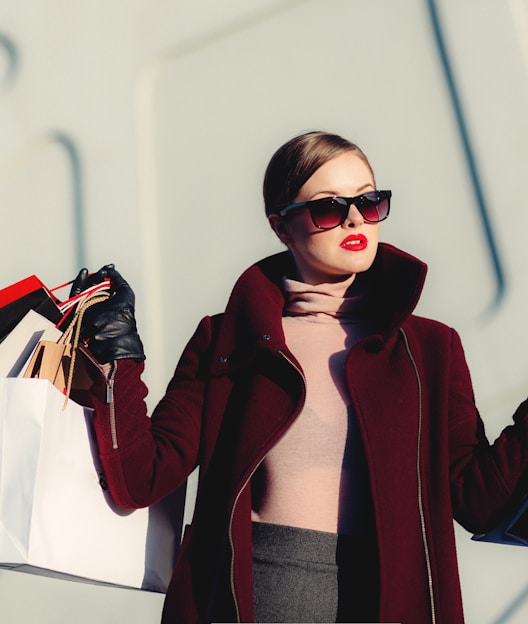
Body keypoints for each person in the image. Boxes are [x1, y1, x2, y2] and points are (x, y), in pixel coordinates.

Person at [73, 130, 528, 624]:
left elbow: (479, 501)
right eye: (328, 208)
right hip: (256, 598)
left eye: (369, 201)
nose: (355, 219)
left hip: (390, 601)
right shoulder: (228, 339)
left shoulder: (430, 349)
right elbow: (142, 478)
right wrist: (117, 355)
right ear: (281, 226)